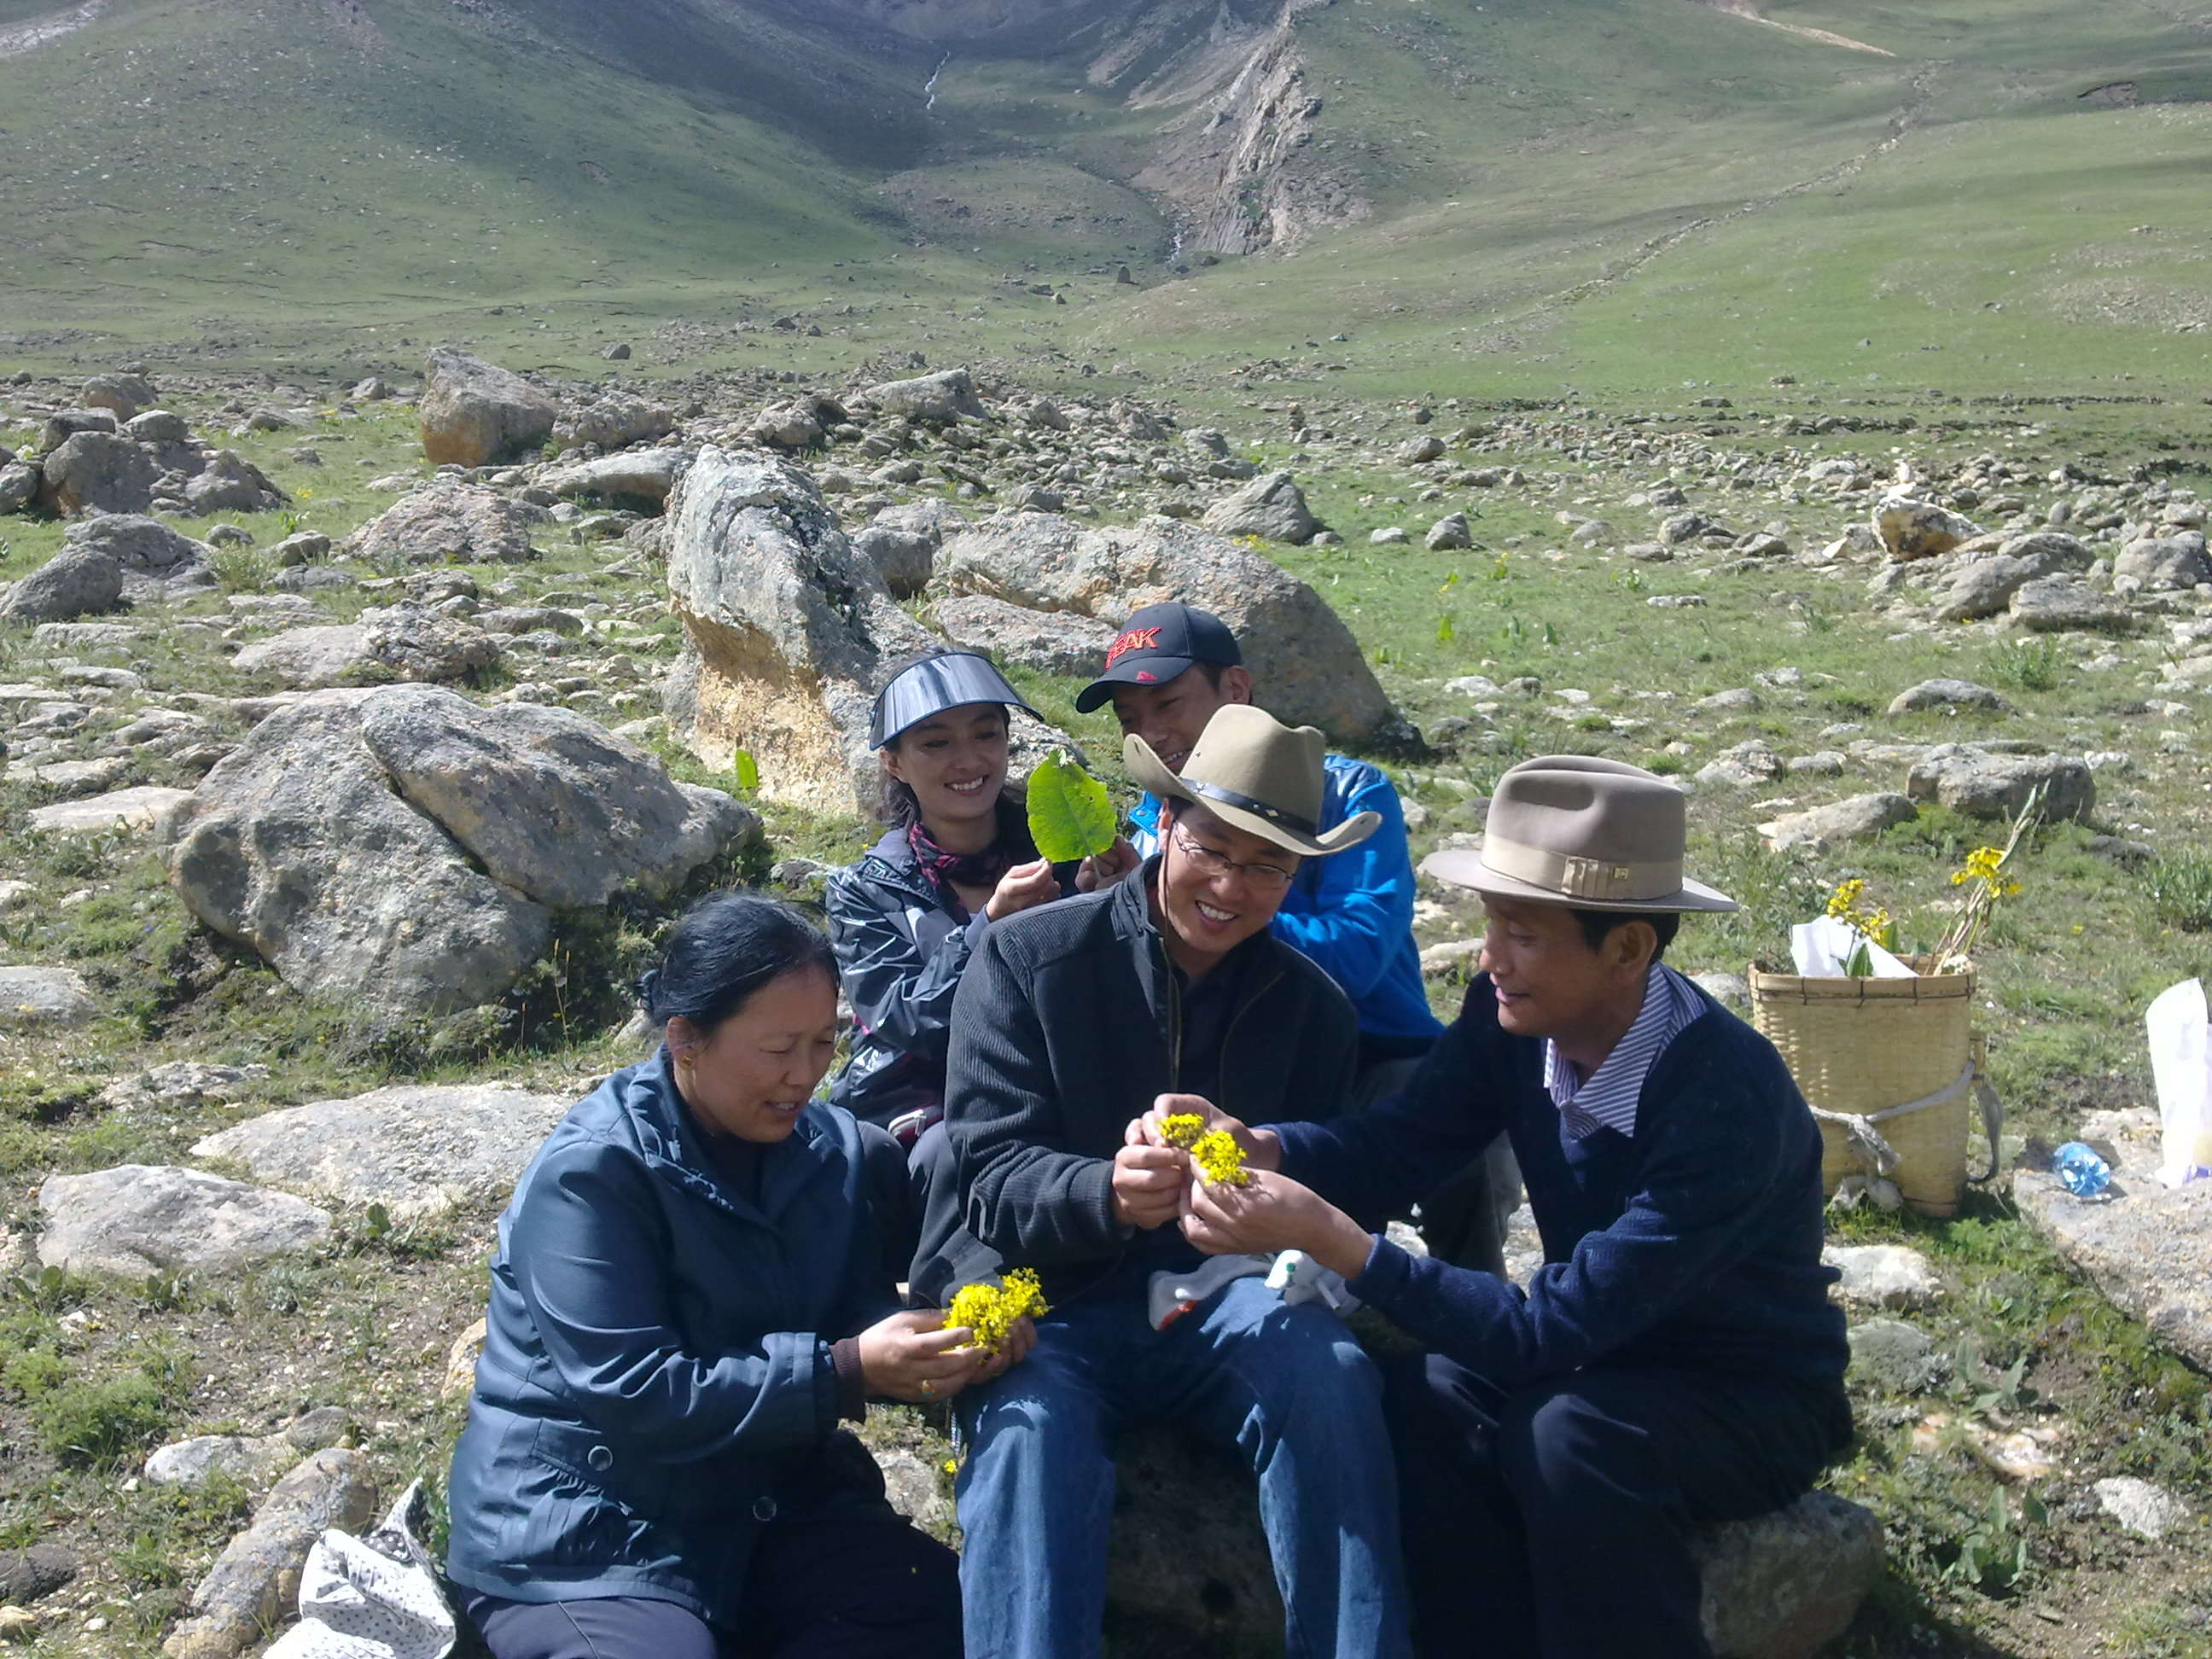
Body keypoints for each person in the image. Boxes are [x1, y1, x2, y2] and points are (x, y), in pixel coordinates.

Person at [1151, 756, 1854, 1659]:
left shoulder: (1724, 1098)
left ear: (1630, 949)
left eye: (1522, 934)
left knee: (1567, 1437)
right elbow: (1407, 1139)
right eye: (1491, 926)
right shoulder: (1510, 1014)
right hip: (1603, 1355)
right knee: (1413, 1395)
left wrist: (1335, 1239)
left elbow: (1549, 1330)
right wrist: (1271, 1148)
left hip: (1742, 1395)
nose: (1489, 959)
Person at [914, 704, 1412, 1659]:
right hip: (1049, 1302)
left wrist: (1260, 1196)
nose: (1230, 886)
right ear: (1165, 827)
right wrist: (1106, 1191)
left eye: (1267, 866)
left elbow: (1339, 1190)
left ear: (1299, 874)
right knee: (1028, 1430)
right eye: (1213, 849)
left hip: (1225, 1301)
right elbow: (983, 1168)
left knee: (1333, 1379)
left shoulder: (1314, 1009)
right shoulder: (1026, 958)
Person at [446, 894, 1033, 1659]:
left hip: (772, 1504)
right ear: (686, 1039)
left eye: (824, 1043)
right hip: (587, 1527)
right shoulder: (593, 1175)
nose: (804, 1076)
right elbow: (634, 1389)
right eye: (777, 1048)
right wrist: (848, 1370)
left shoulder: (837, 1150)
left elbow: (909, 1262)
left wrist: (963, 1310)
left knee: (943, 1625)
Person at [1075, 600, 1516, 1273]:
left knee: (1462, 1130)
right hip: (1218, 1061)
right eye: (1131, 720)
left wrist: (1200, 907)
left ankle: (1472, 1303)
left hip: (1374, 1055)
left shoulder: (1350, 792)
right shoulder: (1149, 821)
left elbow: (1359, 951)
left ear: (1238, 691)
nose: (1155, 733)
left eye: (1168, 705)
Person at [827, 649, 1071, 1143]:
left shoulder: (1062, 854)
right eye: (936, 743)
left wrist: (1124, 898)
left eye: (986, 735)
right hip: (916, 1107)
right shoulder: (865, 891)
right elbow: (906, 1018)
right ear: (893, 763)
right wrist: (990, 926)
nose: (968, 761)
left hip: (1049, 1084)